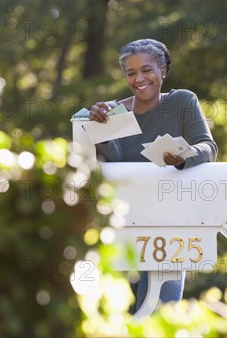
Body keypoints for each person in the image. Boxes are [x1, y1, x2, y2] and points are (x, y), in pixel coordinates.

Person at [88, 38, 217, 312]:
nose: (139, 79)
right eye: (131, 73)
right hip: (124, 223)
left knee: (162, 307)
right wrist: (99, 128)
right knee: (117, 309)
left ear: (163, 71)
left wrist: (184, 157)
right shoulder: (115, 111)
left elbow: (208, 147)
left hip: (171, 223)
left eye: (147, 70)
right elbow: (114, 161)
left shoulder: (182, 101)